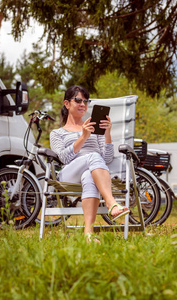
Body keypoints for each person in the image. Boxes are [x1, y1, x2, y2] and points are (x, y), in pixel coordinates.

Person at [49, 85, 130, 241]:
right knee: (92, 156)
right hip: (69, 175)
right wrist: (83, 137)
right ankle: (111, 202)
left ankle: (88, 234)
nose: (83, 104)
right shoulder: (57, 133)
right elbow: (63, 159)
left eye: (86, 101)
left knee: (89, 175)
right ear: (67, 104)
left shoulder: (95, 129)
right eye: (78, 100)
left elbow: (106, 159)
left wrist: (107, 134)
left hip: (93, 171)